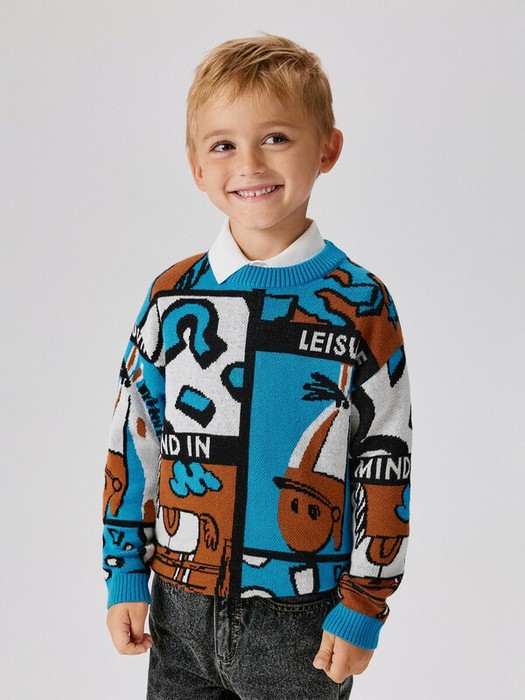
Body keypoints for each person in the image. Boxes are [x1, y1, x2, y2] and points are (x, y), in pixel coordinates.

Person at [102, 34, 412, 700]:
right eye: (223, 145)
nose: (248, 163)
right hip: (178, 605)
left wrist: (365, 602)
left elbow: (384, 459)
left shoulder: (360, 303)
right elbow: (135, 437)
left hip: (304, 620)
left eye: (275, 137)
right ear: (196, 167)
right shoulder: (172, 296)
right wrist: (124, 571)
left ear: (326, 148)